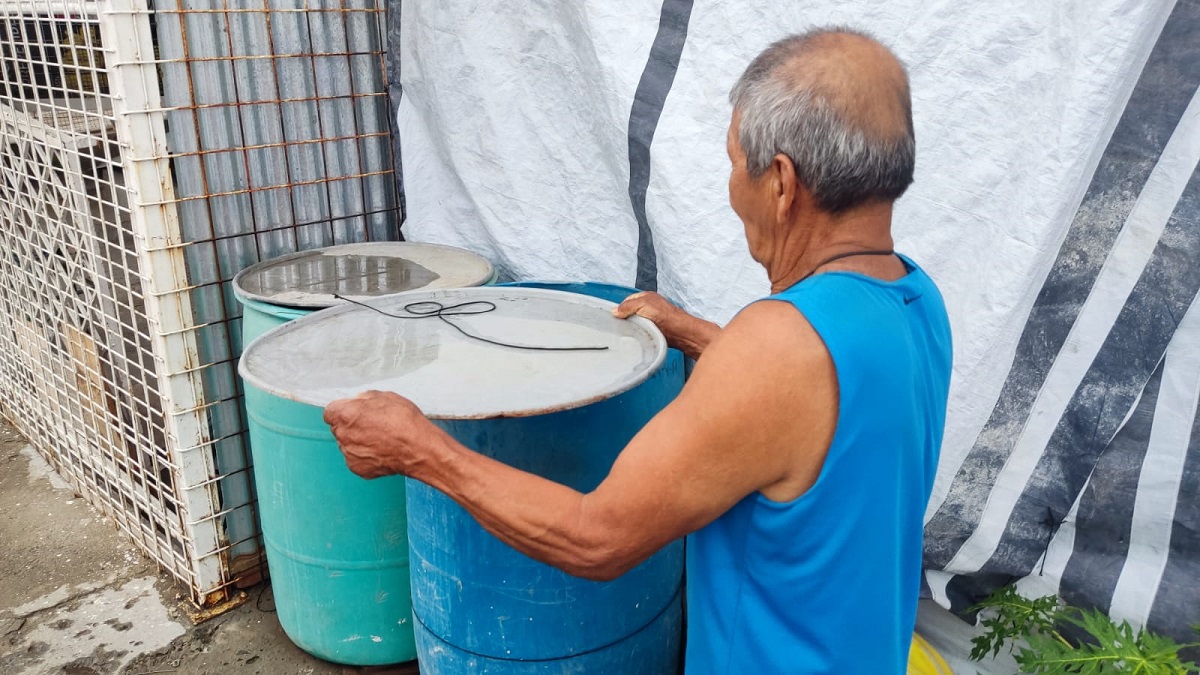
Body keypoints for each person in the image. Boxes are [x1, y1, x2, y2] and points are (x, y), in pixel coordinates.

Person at [324, 26, 952, 675]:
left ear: (783, 183)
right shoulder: (915, 299)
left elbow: (598, 537)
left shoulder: (776, 346)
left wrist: (421, 449)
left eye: (736, 163)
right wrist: (697, 333)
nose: (733, 188)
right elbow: (819, 409)